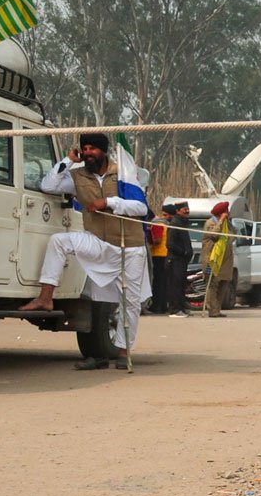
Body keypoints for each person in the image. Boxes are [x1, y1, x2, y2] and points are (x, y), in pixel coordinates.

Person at [20, 133, 150, 370]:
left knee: (129, 302)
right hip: (98, 241)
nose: (88, 153)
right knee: (60, 241)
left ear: (103, 151)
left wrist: (109, 202)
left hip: (129, 247)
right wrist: (68, 160)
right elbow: (48, 185)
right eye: (84, 148)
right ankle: (45, 298)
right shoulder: (77, 176)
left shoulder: (123, 174)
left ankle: (122, 350)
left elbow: (141, 208)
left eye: (92, 149)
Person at [200, 201, 234, 319]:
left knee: (223, 285)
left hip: (225, 261)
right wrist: (220, 221)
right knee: (212, 285)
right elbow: (214, 236)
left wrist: (227, 223)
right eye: (226, 211)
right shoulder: (210, 223)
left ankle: (217, 309)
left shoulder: (226, 224)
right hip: (212, 259)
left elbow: (233, 236)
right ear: (222, 213)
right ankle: (212, 309)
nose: (228, 213)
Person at [164, 203, 193, 317]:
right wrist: (183, 252)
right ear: (178, 211)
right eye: (184, 209)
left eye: (188, 209)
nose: (187, 211)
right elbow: (169, 244)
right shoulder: (175, 224)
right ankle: (174, 309)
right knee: (174, 285)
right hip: (174, 260)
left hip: (182, 261)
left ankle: (181, 308)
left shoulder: (182, 223)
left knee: (181, 285)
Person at [147, 210, 169, 315]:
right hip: (165, 254)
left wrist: (149, 239)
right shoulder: (165, 224)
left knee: (157, 283)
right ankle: (163, 305)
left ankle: (157, 306)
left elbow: (157, 240)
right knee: (163, 282)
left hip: (158, 255)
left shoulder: (156, 225)